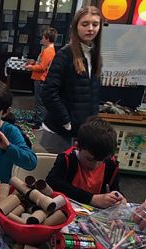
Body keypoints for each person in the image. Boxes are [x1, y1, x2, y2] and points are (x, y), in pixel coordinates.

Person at [41, 6, 103, 154]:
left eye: (95, 24)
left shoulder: (94, 55)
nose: (90, 28)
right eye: (85, 24)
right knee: (56, 172)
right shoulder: (65, 55)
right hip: (60, 132)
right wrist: (66, 121)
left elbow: (90, 95)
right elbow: (48, 92)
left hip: (81, 131)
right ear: (76, 27)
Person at [46, 116, 126, 209]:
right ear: (77, 146)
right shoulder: (67, 159)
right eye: (90, 159)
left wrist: (118, 198)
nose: (95, 166)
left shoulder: (110, 164)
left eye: (101, 161)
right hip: (66, 211)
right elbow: (52, 183)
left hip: (96, 214)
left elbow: (114, 189)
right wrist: (91, 199)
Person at [24, 27, 57, 130]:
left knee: (39, 102)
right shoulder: (48, 50)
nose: (41, 39)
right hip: (40, 78)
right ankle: (38, 119)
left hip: (41, 79)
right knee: (39, 101)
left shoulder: (48, 51)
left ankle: (39, 123)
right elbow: (43, 64)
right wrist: (34, 62)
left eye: (43, 37)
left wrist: (31, 67)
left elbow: (42, 67)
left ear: (47, 38)